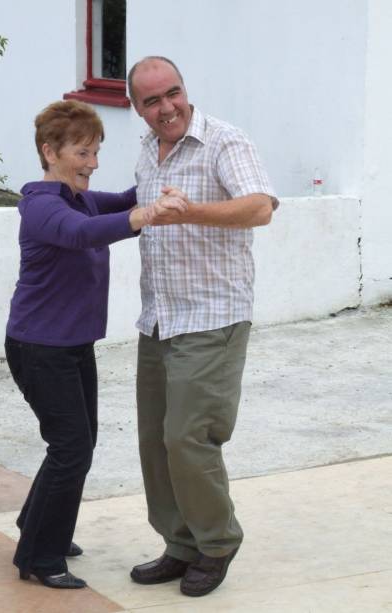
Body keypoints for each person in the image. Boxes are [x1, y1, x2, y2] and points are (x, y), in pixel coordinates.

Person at [4, 99, 185, 589]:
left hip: (71, 344)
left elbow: (125, 200)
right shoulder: (44, 205)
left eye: (96, 151)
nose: (93, 163)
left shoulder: (79, 197)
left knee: (74, 445)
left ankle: (38, 526)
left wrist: (160, 177)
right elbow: (84, 235)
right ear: (50, 151)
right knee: (71, 448)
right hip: (38, 347)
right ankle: (39, 558)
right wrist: (146, 212)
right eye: (83, 153)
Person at [127, 56, 279, 597]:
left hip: (213, 316)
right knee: (154, 442)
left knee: (189, 438)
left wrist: (191, 212)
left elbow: (260, 207)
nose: (167, 107)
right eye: (152, 100)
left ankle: (217, 543)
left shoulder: (224, 141)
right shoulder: (148, 151)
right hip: (160, 318)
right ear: (137, 108)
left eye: (172, 92)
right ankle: (180, 543)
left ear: (184, 89)